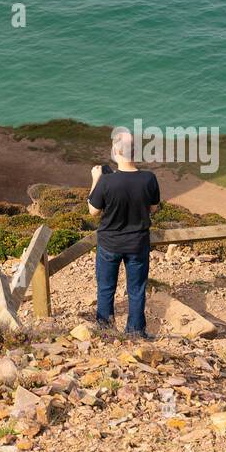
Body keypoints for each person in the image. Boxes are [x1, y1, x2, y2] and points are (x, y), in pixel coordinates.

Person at [87, 127, 160, 338]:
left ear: (115, 152)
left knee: (106, 288)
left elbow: (93, 211)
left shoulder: (106, 181)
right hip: (138, 243)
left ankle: (105, 331)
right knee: (136, 290)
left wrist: (95, 178)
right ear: (135, 153)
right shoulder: (149, 179)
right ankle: (136, 332)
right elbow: (153, 208)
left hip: (109, 243)